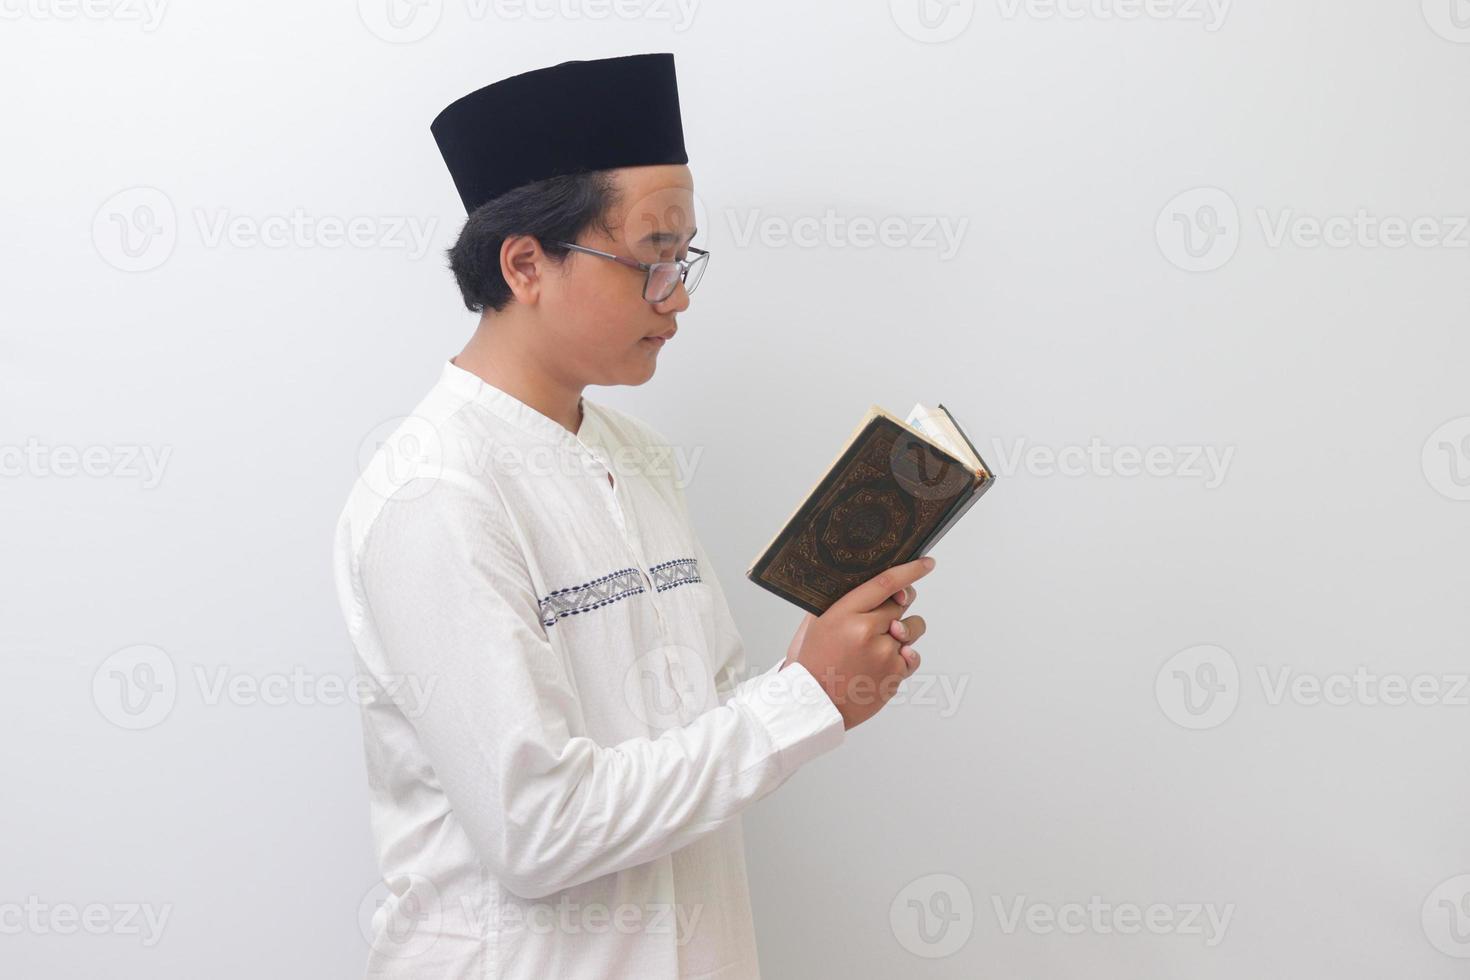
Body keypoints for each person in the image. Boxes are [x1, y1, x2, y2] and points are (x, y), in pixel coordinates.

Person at [332, 52, 935, 979]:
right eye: (651, 258)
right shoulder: (437, 496)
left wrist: (822, 673)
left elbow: (704, 728)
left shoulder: (639, 458)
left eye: (683, 257)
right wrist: (797, 700)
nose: (678, 295)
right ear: (526, 265)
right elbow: (535, 829)